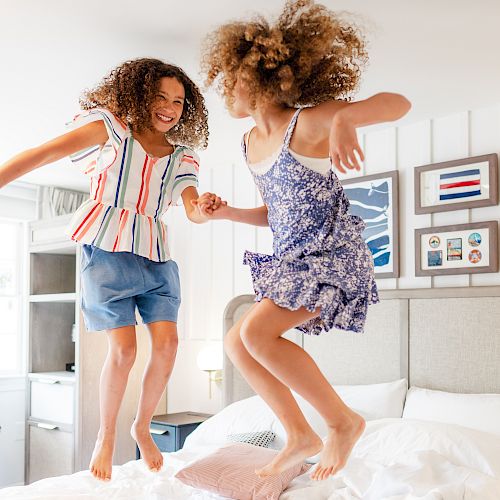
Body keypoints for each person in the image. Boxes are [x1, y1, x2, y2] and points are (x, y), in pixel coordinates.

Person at [200, 0, 411, 481]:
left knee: (256, 334)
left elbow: (400, 103)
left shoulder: (308, 122)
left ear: (255, 79)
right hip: (294, 257)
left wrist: (345, 119)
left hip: (334, 256)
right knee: (237, 342)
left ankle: (342, 422)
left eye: (231, 79)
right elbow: (280, 212)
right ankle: (299, 434)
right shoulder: (250, 143)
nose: (227, 90)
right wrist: (228, 212)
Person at [0, 58, 223, 481]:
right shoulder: (111, 129)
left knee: (169, 344)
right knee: (124, 351)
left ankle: (142, 425)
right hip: (106, 246)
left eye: (178, 101)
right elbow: (43, 152)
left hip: (155, 253)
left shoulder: (182, 157)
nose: (169, 107)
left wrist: (204, 208)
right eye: (160, 96)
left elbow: (191, 207)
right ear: (138, 95)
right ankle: (106, 435)